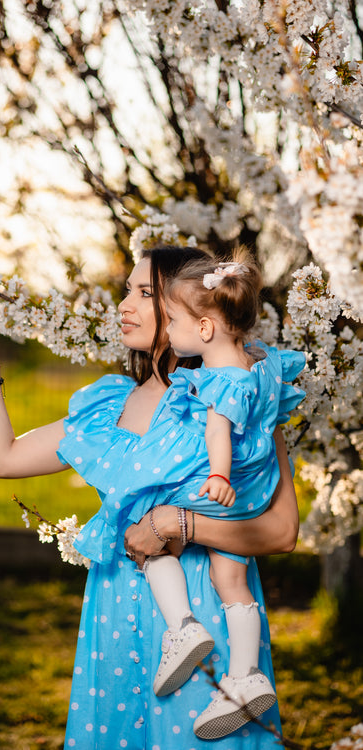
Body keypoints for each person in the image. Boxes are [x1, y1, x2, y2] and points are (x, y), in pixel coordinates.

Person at [0, 245, 300, 749]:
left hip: (207, 611)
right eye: (127, 290)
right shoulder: (111, 405)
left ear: (198, 312)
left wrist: (176, 524)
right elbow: (1, 458)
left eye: (146, 293)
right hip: (115, 616)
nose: (125, 304)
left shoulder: (242, 394)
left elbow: (281, 532)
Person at [120, 247, 305, 739]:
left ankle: (182, 626)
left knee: (152, 536)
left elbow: (217, 436)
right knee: (233, 583)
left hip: (221, 490)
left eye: (175, 319)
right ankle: (245, 677)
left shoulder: (215, 384)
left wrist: (216, 477)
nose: (171, 328)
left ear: (204, 330)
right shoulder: (263, 364)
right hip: (252, 495)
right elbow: (287, 376)